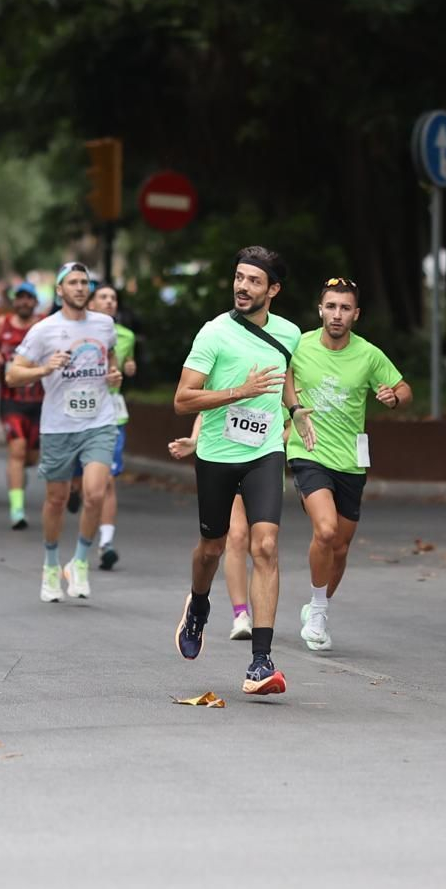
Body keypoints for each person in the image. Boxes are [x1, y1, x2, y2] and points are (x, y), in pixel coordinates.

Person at [172, 246, 311, 696]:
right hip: (216, 453)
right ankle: (197, 604)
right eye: (238, 278)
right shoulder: (214, 333)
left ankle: (260, 661)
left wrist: (296, 407)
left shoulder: (289, 332)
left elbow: (284, 371)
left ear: (273, 290)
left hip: (265, 450)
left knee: (265, 545)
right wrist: (239, 391)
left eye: (253, 281)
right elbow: (183, 398)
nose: (242, 287)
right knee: (211, 548)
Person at [287, 277, 412, 652]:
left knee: (340, 547)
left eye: (344, 308)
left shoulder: (369, 355)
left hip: (351, 461)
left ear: (355, 314)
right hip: (308, 452)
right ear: (320, 309)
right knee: (324, 531)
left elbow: (404, 389)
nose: (336, 314)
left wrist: (392, 398)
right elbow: (282, 378)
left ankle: (316, 606)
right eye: (331, 306)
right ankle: (319, 611)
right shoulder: (299, 345)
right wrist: (293, 411)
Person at [4, 262, 121, 602]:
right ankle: (52, 564)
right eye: (73, 283)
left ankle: (80, 562)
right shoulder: (44, 330)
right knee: (56, 499)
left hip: (99, 421)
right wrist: (44, 368)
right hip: (58, 426)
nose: (81, 288)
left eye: (85, 282)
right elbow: (13, 375)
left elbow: (110, 359)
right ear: (59, 290)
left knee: (95, 494)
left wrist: (114, 376)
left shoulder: (105, 324)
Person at [169, 421, 255, 640]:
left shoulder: (278, 387)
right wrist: (196, 440)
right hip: (224, 458)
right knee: (235, 536)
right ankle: (240, 614)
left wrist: (268, 443)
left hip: (261, 463)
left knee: (263, 546)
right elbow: (204, 410)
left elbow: (289, 425)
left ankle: (263, 640)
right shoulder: (226, 385)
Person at [0, 282, 45, 529]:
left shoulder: (44, 325)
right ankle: (17, 510)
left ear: (34, 302)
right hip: (11, 400)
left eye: (28, 298)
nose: (23, 302)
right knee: (17, 451)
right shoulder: (2, 324)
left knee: (30, 458)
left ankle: (17, 477)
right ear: (14, 301)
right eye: (19, 298)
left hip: (41, 401)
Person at [87, 284, 137, 570]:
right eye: (103, 297)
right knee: (83, 485)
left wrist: (129, 367)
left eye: (112, 298)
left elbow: (128, 363)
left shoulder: (126, 335)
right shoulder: (78, 332)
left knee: (106, 481)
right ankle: (71, 491)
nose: (108, 302)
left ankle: (106, 543)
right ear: (91, 303)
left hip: (112, 414)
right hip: (77, 416)